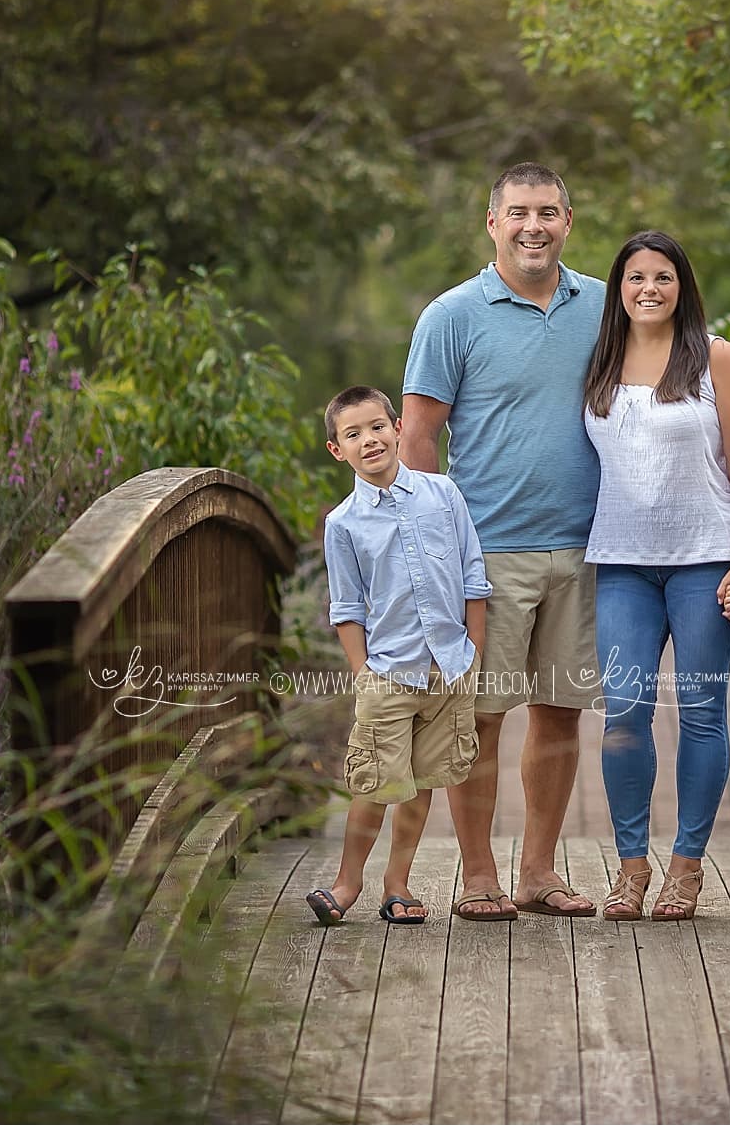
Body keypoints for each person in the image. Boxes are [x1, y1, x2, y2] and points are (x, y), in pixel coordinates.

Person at [400, 162, 603, 919]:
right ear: (493, 223)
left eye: (548, 212)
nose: (533, 226)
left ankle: (540, 872)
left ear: (568, 220)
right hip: (484, 552)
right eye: (519, 212)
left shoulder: (603, 307)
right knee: (478, 718)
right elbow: (416, 436)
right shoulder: (451, 315)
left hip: (585, 549)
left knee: (560, 710)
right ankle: (480, 874)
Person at [582, 230, 730, 921]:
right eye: (635, 277)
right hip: (623, 562)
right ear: (619, 288)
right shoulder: (600, 359)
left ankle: (685, 868)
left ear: (682, 286)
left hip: (704, 562)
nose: (649, 288)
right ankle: (632, 867)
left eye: (663, 276)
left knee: (700, 714)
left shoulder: (717, 357)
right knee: (625, 714)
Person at [308, 386, 489, 925]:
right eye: (353, 434)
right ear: (336, 449)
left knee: (422, 779)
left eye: (377, 427)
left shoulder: (443, 494)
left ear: (395, 428)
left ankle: (399, 882)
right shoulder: (342, 524)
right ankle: (347, 883)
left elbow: (472, 578)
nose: (369, 440)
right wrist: (364, 674)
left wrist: (471, 653)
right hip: (389, 671)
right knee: (377, 780)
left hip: (448, 667)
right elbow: (345, 608)